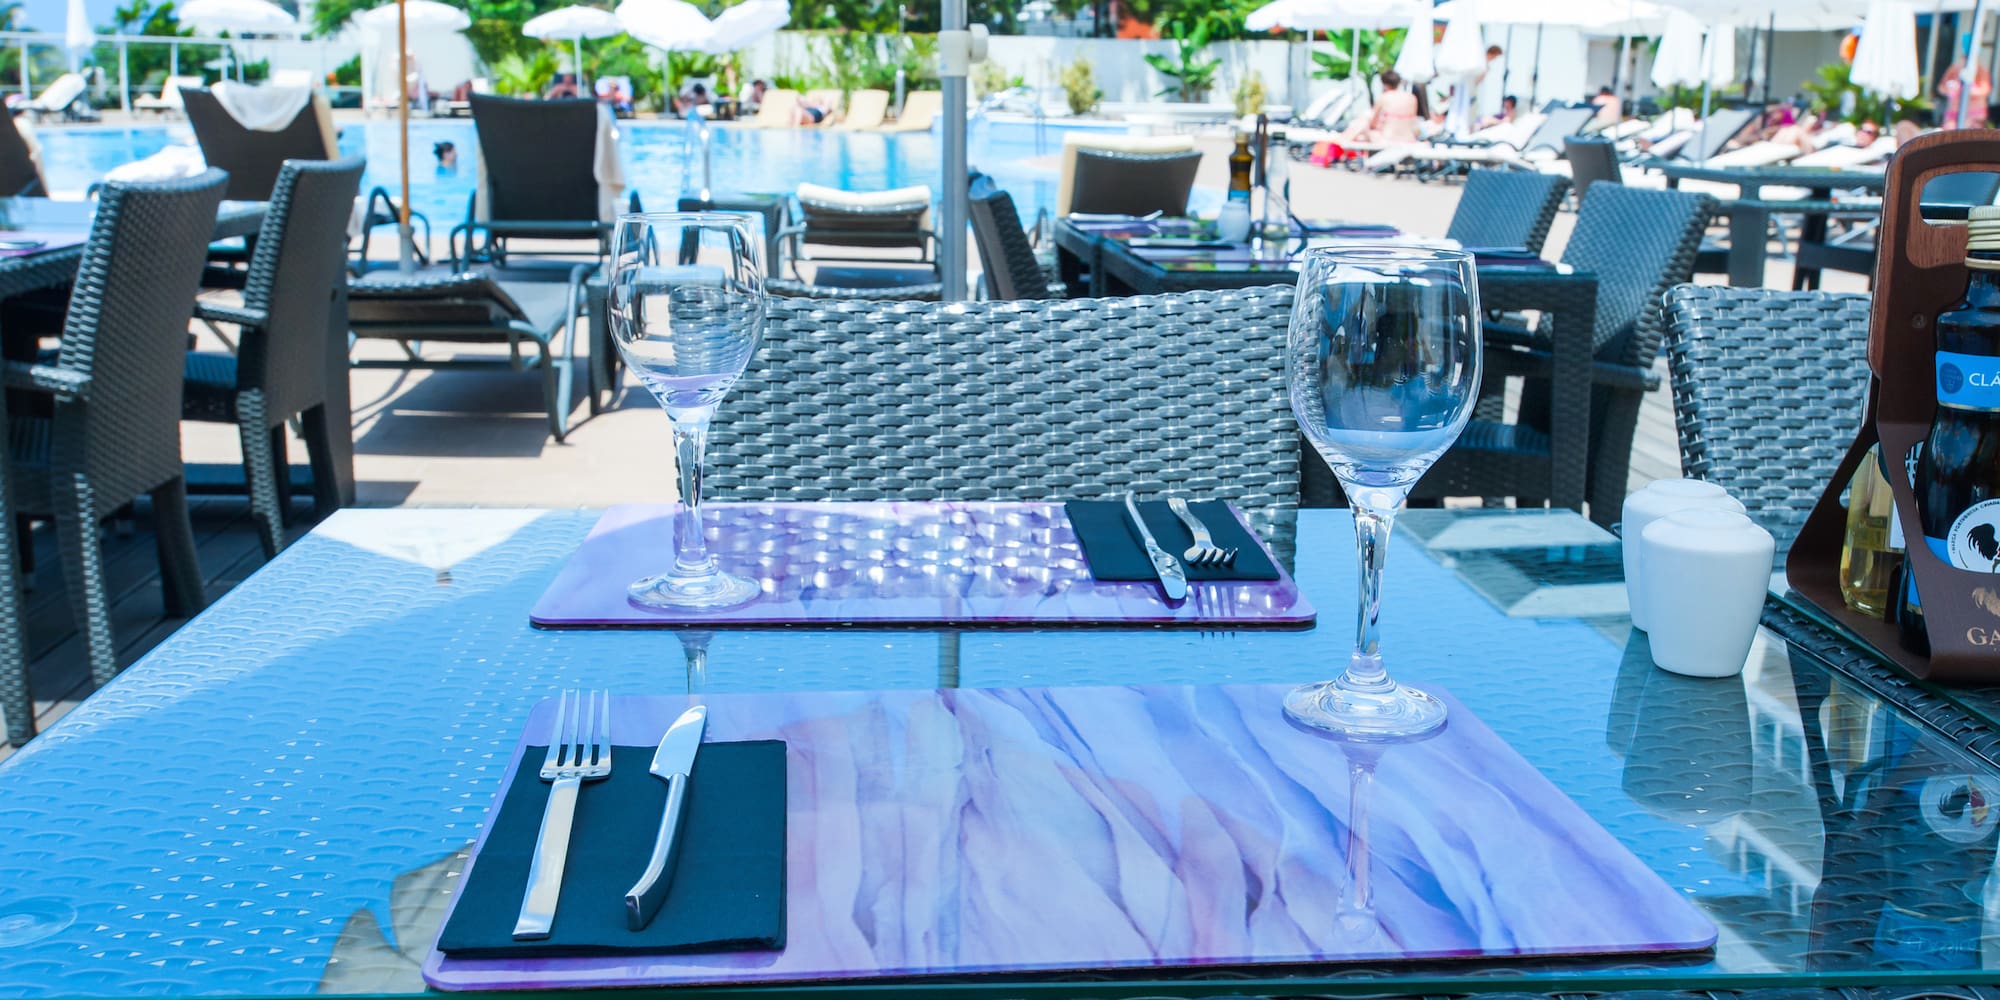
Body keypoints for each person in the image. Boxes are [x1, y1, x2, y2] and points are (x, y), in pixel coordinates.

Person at [1339, 69, 1420, 144]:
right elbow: (1413, 122)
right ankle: (1343, 139)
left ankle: (1342, 140)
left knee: (1365, 117)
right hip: (1409, 139)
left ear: (1384, 84)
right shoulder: (1412, 98)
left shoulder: (1384, 97)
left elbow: (1372, 123)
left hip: (1388, 139)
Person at [1940, 60, 1992, 129]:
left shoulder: (1980, 69)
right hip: (1954, 112)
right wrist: (1951, 89)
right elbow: (1941, 87)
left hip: (1974, 113)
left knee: (1971, 134)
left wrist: (1968, 91)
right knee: (1950, 132)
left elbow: (1985, 90)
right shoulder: (1954, 67)